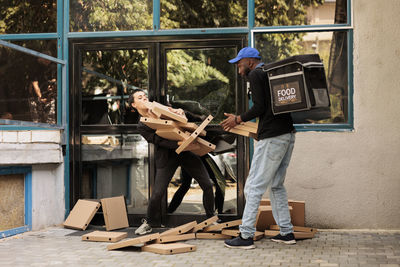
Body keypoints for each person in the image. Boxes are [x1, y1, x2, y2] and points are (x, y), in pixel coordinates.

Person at [221, 47, 296, 249]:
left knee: (253, 186)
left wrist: (238, 119)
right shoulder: (269, 74)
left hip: (272, 137)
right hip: (287, 135)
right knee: (277, 185)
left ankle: (245, 236)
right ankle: (286, 233)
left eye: (239, 64)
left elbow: (259, 107)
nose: (238, 69)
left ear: (249, 61)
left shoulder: (256, 74)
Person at [129, 89, 215, 235]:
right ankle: (149, 223)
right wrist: (178, 144)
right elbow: (157, 140)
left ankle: (211, 218)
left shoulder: (160, 108)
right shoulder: (141, 125)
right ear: (133, 104)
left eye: (145, 96)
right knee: (157, 193)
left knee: (207, 184)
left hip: (186, 152)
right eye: (140, 98)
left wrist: (181, 112)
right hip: (168, 156)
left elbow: (181, 117)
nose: (144, 98)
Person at [28, 55, 57, 124]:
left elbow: (55, 82)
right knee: (37, 121)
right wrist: (41, 97)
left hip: (49, 97)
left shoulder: (53, 68)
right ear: (40, 59)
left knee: (50, 121)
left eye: (49, 59)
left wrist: (51, 90)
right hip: (36, 97)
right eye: (45, 59)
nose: (47, 61)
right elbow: (35, 84)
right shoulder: (35, 68)